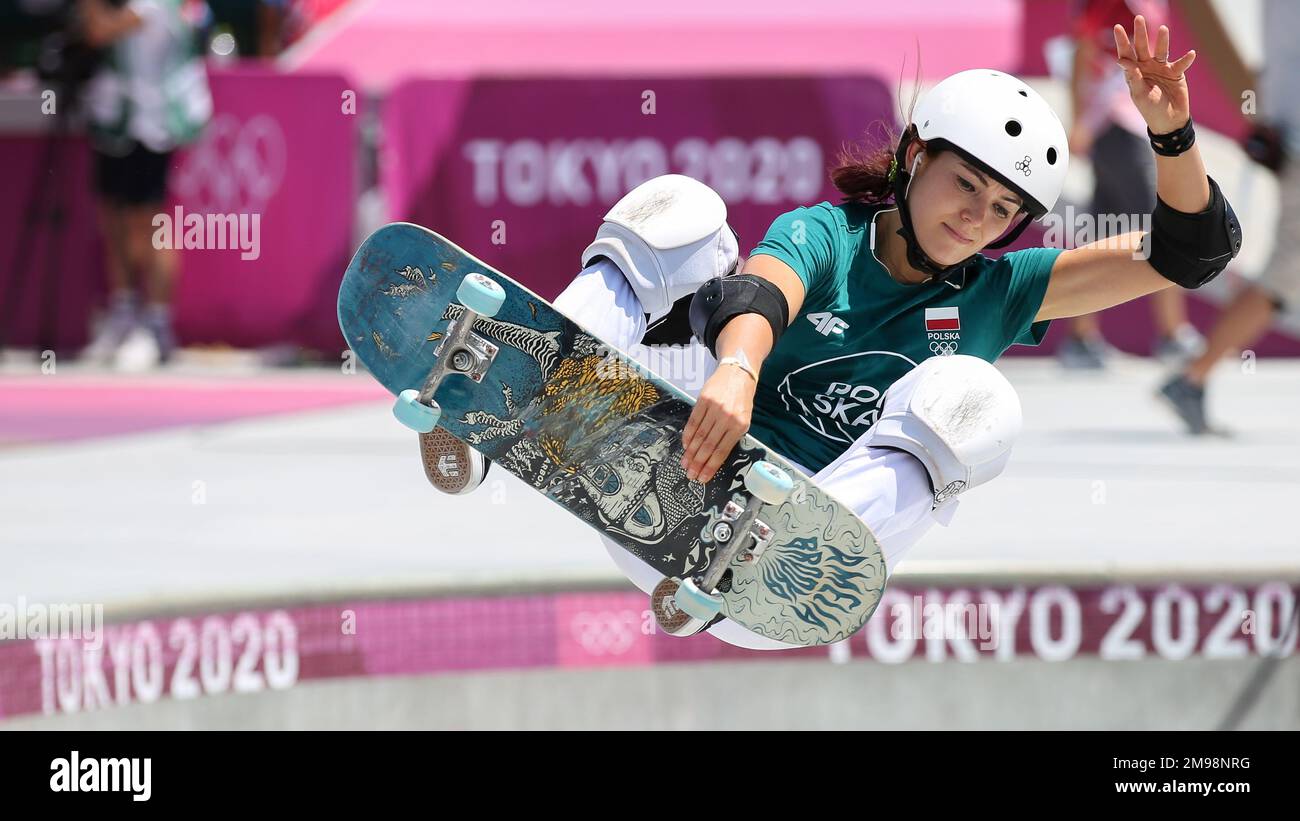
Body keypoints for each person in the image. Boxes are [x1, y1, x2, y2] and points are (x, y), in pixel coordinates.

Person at [424, 16, 1241, 649]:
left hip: (777, 580)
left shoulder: (1003, 289)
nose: (975, 221)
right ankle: (515, 390)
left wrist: (1172, 132)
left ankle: (757, 545)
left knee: (979, 398)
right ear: (915, 155)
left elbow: (1193, 250)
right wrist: (737, 371)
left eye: (1002, 212)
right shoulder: (831, 234)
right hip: (666, 494)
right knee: (686, 211)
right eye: (966, 185)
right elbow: (761, 290)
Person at [1158, 0, 1297, 434]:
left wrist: (1258, 118)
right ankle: (1192, 375)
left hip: (1286, 132)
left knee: (1288, 274)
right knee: (1286, 273)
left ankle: (1193, 376)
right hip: (1293, 137)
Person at [1057, 0, 1205, 369]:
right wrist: (1078, 121)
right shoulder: (1111, 3)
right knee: (1164, 227)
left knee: (1100, 231)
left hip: (1125, 127)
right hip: (1120, 126)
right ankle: (1173, 335)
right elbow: (1082, 51)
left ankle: (1081, 339)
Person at [78, 0, 211, 368]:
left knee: (150, 224)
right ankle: (122, 313)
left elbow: (99, 30)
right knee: (113, 219)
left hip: (153, 121)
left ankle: (156, 324)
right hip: (114, 117)